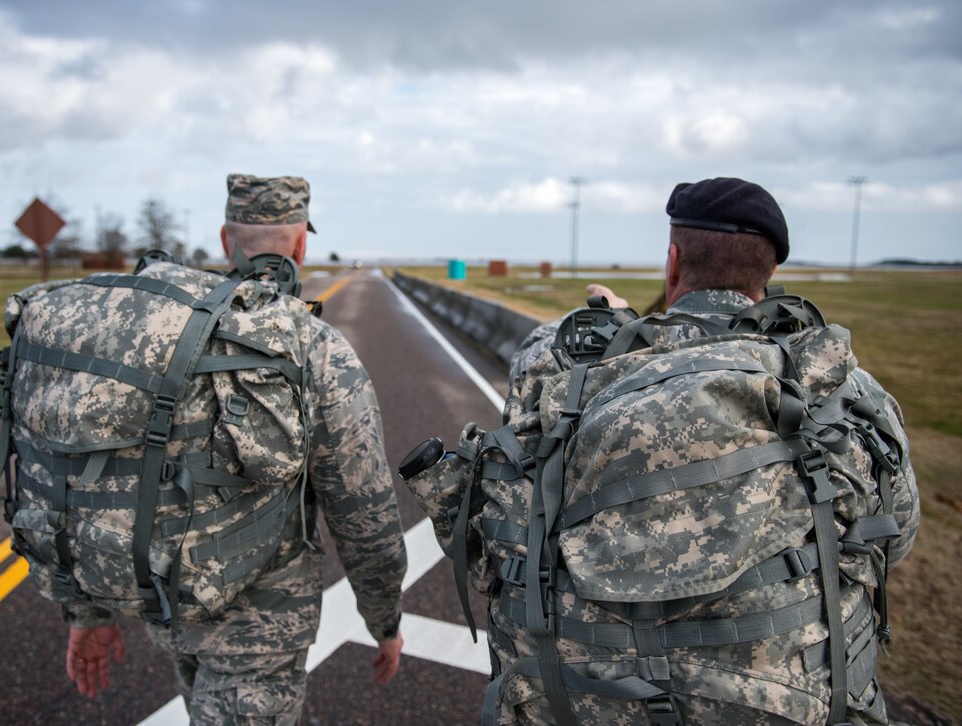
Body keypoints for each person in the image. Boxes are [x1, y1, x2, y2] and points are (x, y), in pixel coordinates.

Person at [495, 176, 920, 724]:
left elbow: (532, 364)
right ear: (766, 278)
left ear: (673, 262)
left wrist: (615, 324)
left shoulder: (576, 376)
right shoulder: (847, 390)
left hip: (590, 703)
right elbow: (895, 537)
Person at [63, 174, 408, 724]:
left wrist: (88, 610)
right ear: (300, 245)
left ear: (226, 241)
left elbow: (92, 474)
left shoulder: (156, 336)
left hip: (167, 605)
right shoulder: (313, 346)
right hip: (264, 631)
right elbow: (364, 511)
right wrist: (383, 617)